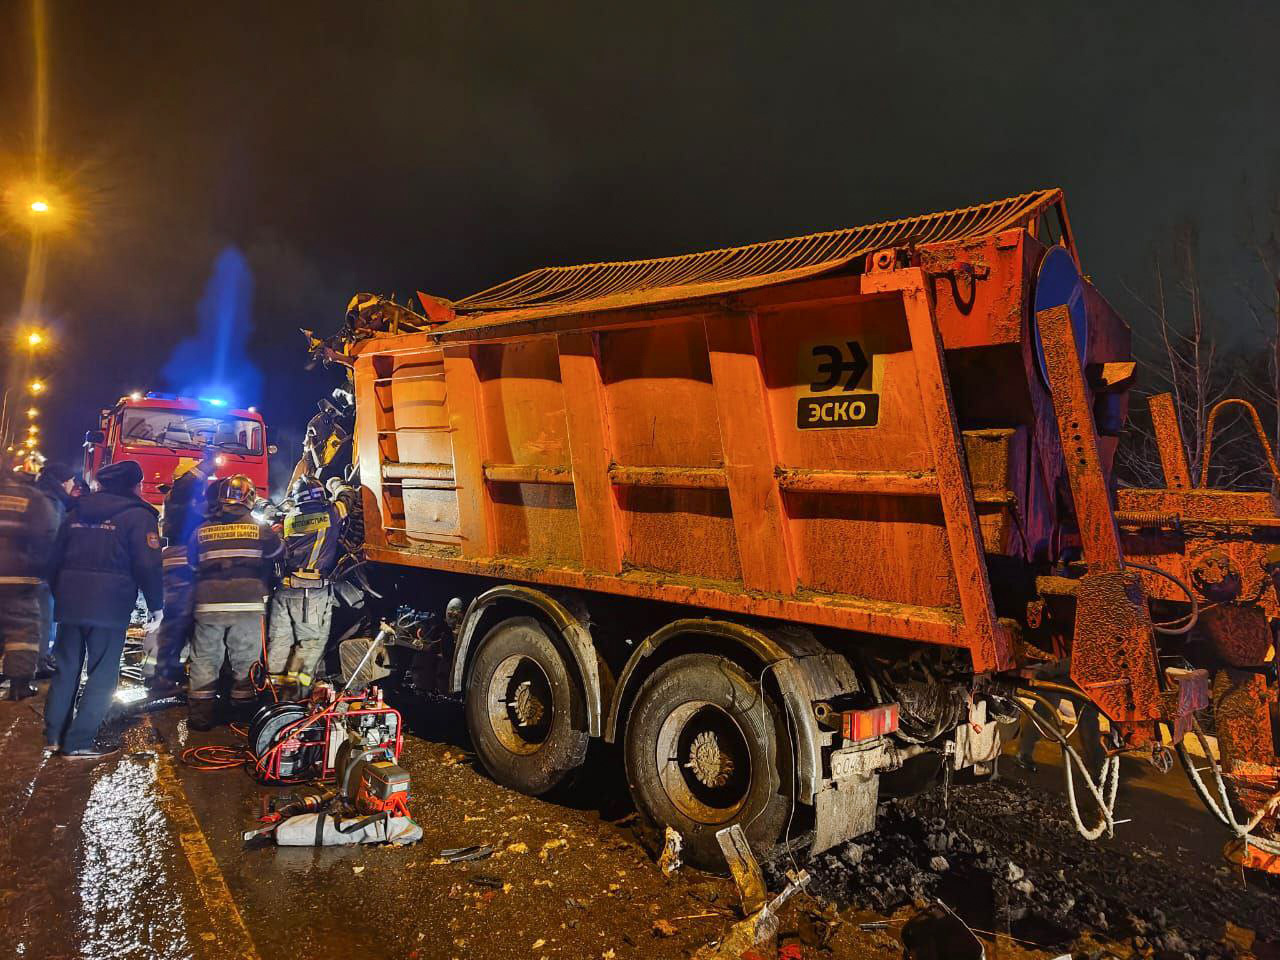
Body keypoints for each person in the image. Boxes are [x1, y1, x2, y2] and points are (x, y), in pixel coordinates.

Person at [45, 460, 163, 757]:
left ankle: (54, 736)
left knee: (66, 668)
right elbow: (147, 565)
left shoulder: (75, 510)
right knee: (101, 673)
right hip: (110, 606)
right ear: (134, 485)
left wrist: (61, 593)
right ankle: (79, 742)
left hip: (70, 603)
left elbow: (53, 559)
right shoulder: (138, 516)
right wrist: (156, 606)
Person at [187, 474, 282, 730]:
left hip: (208, 605)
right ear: (250, 498)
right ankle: (242, 715)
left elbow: (192, 564)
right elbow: (276, 553)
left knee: (204, 660)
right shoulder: (260, 528)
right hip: (247, 606)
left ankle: (200, 718)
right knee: (245, 661)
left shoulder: (201, 530)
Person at [266, 475, 355, 698]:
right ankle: (295, 697)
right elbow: (348, 497)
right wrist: (335, 483)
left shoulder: (288, 519)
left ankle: (271, 692)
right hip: (311, 594)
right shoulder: (331, 514)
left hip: (284, 591)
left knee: (280, 641)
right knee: (310, 644)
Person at [147, 448, 216, 695]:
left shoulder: (184, 498)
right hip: (181, 563)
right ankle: (163, 678)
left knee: (184, 621)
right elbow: (190, 481)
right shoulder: (182, 492)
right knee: (177, 621)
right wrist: (208, 462)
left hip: (182, 562)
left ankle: (171, 672)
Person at [0, 460, 61, 700]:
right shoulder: (31, 498)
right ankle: (19, 686)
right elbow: (48, 536)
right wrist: (39, 569)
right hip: (19, 577)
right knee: (22, 631)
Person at [34, 463, 76, 676]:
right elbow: (52, 537)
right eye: (71, 481)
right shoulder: (52, 501)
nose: (73, 485)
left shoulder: (42, 495)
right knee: (44, 616)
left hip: (35, 567)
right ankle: (40, 661)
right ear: (63, 481)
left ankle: (40, 658)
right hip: (42, 570)